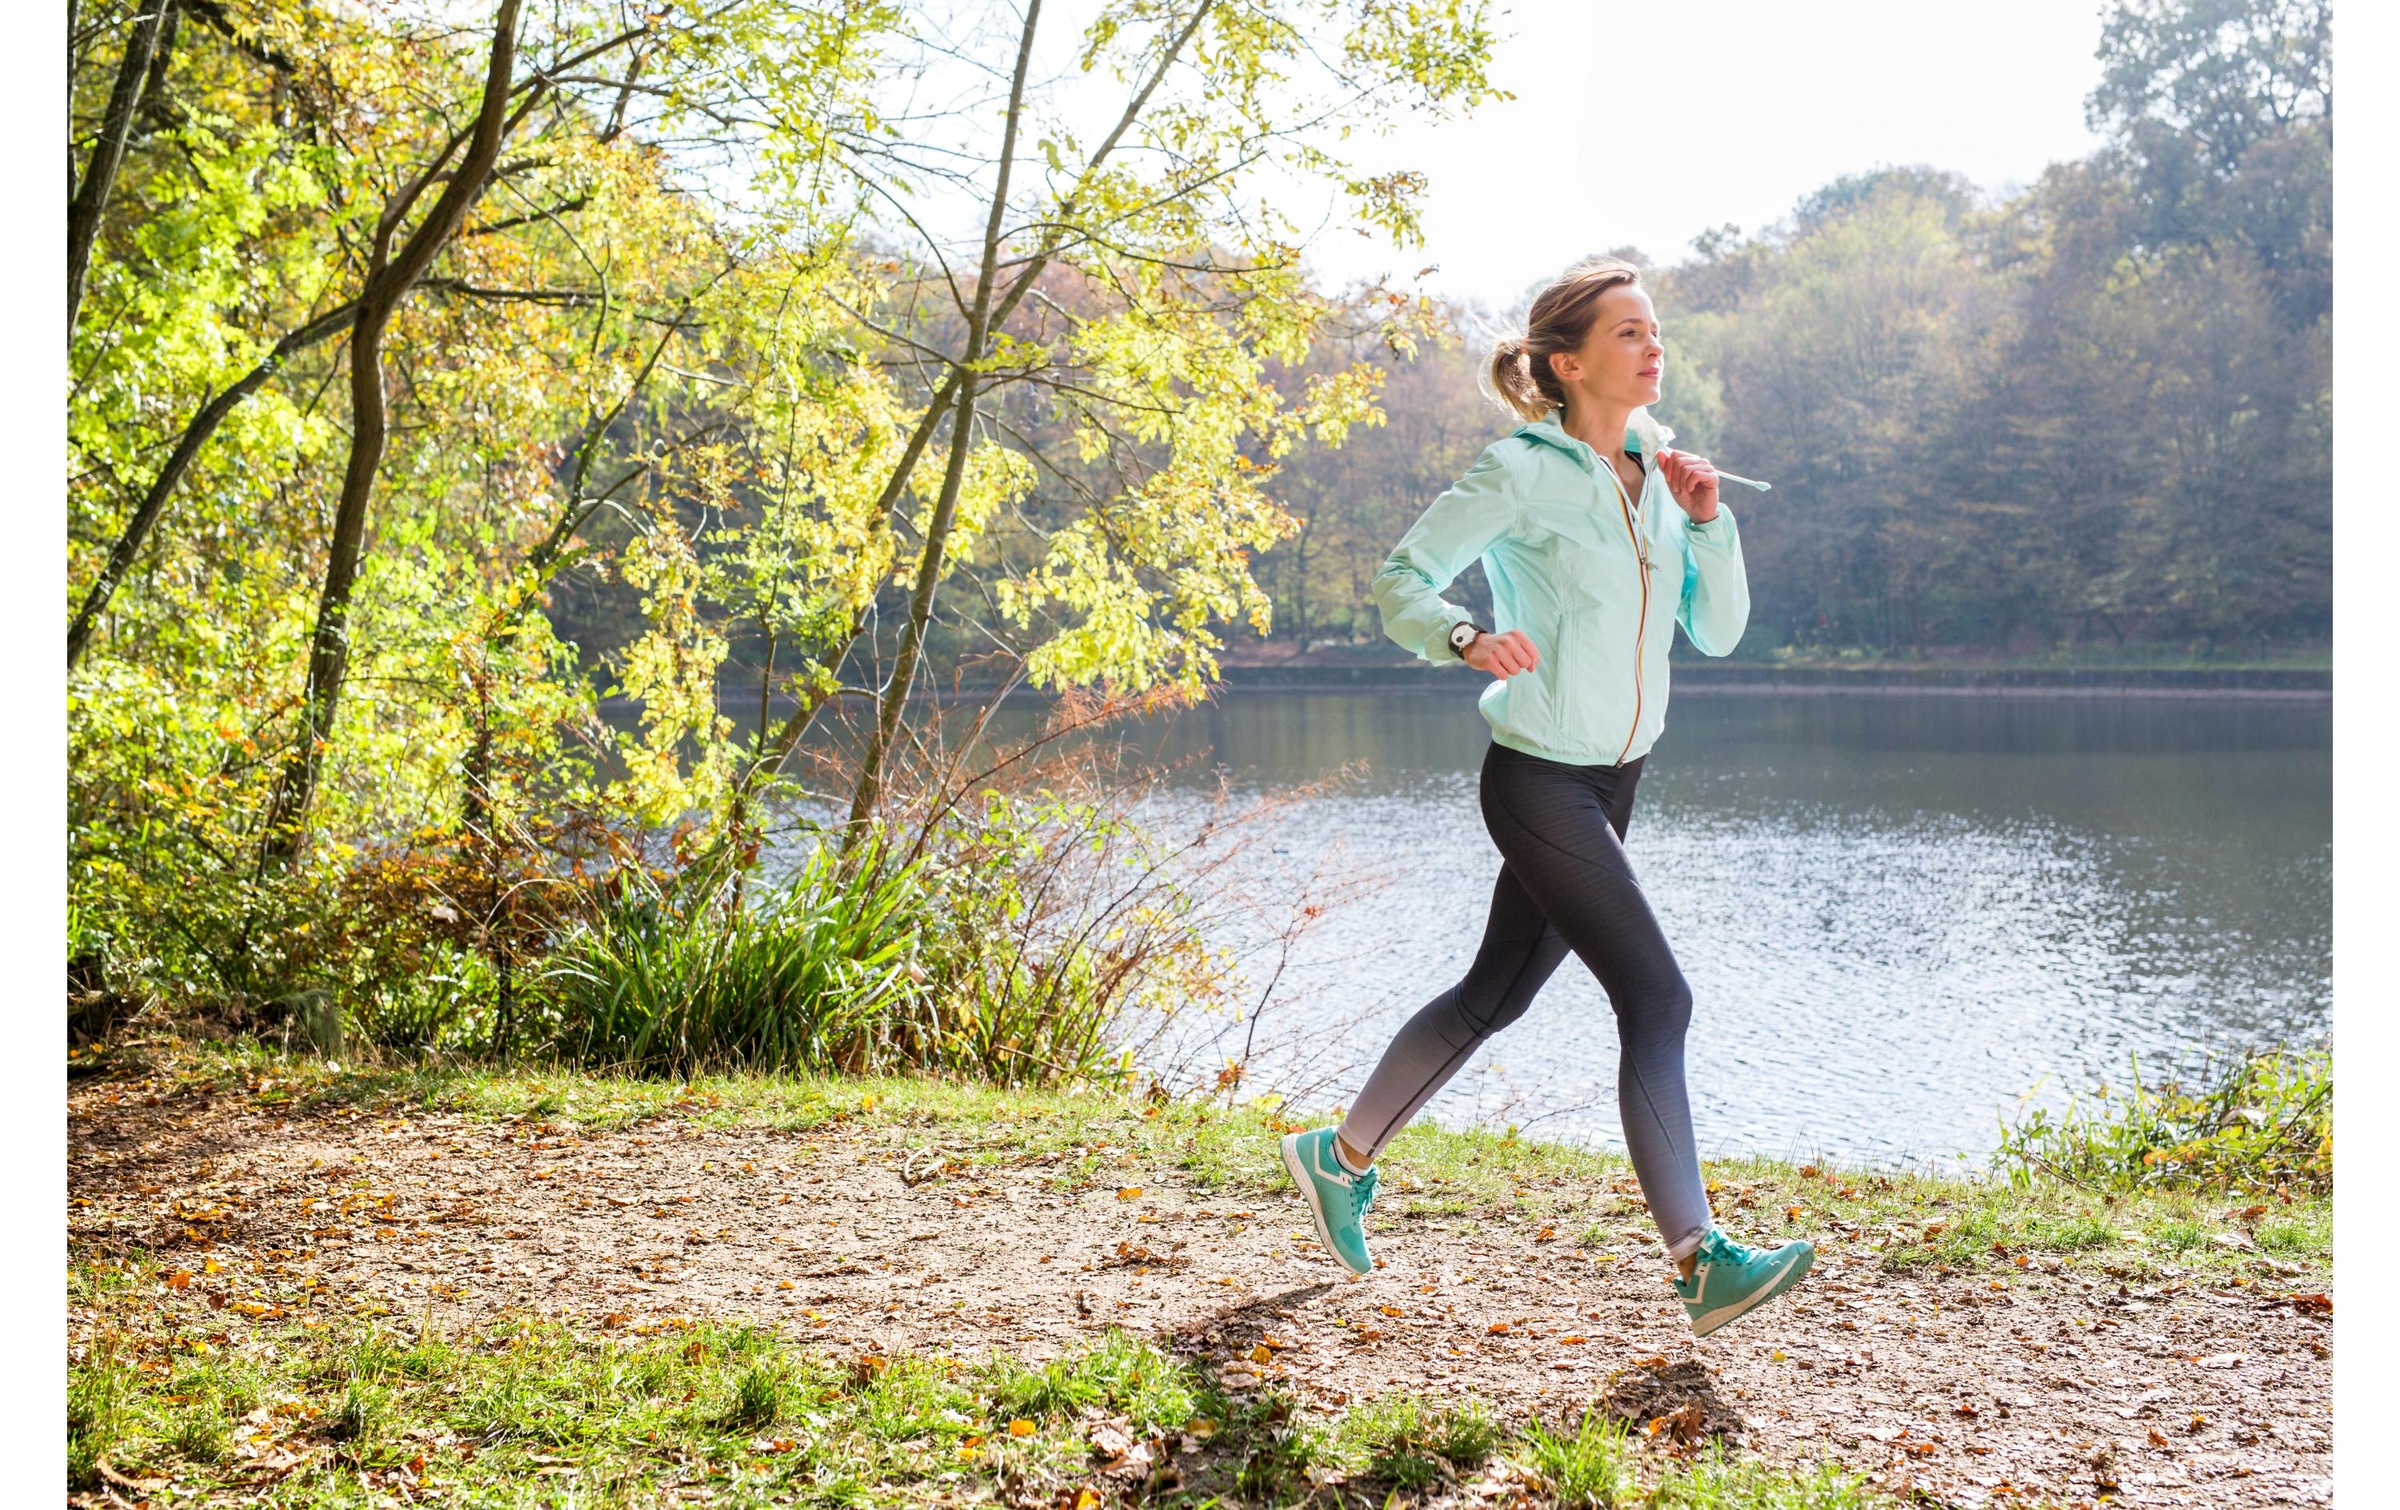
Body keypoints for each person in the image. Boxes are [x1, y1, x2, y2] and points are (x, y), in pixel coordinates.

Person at [1277, 255, 1812, 1338]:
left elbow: (1717, 631)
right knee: (1657, 998)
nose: (1654, 346)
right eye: (1628, 333)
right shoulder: (1521, 470)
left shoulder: (1661, 469)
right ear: (1567, 363)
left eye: (1656, 329)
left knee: (1495, 992)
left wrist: (1709, 523)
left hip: (1616, 778)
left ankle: (1335, 1159)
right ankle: (1699, 1259)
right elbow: (1402, 580)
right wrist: (1465, 635)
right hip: (1535, 778)